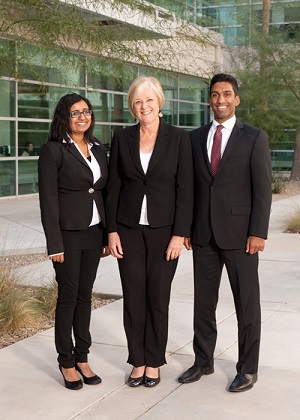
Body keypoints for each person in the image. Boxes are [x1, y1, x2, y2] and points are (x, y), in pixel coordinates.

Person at [178, 73, 272, 392]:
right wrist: (188, 228)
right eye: (216, 95)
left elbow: (263, 189)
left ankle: (247, 368)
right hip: (203, 234)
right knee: (203, 304)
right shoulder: (194, 138)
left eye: (227, 94)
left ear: (237, 99)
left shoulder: (254, 137)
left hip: (241, 235)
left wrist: (258, 231)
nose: (221, 100)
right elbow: (190, 188)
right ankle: (203, 361)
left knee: (247, 304)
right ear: (210, 99)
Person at [105, 76, 193, 387]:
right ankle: (137, 360)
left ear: (160, 103)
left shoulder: (179, 139)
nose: (145, 106)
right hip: (128, 229)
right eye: (139, 102)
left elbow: (186, 189)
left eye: (150, 100)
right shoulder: (122, 138)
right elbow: (113, 186)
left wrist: (179, 234)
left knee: (157, 295)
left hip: (164, 230)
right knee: (133, 296)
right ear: (132, 107)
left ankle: (154, 360)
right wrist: (111, 232)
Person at [38, 93, 109, 390]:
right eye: (75, 113)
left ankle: (83, 356)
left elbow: (102, 192)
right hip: (67, 235)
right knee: (68, 298)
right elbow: (48, 201)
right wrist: (54, 244)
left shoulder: (98, 148)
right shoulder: (53, 151)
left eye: (86, 111)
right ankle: (65, 360)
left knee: (85, 296)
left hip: (94, 233)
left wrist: (106, 235)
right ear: (64, 117)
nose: (82, 117)